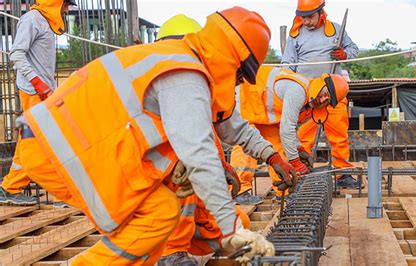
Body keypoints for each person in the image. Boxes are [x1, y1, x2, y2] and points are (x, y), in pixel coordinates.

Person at [14, 7, 297, 264]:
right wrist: (230, 231)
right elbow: (200, 155)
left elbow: (229, 124)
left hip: (65, 145)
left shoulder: (190, 66)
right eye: (240, 75)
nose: (237, 82)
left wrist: (270, 156)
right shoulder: (184, 74)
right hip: (63, 148)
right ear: (233, 60)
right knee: (158, 213)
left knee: (158, 213)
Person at [153, 15, 291, 265]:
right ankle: (169, 253)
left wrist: (271, 155)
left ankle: (180, 248)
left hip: (180, 201)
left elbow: (234, 127)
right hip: (144, 194)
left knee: (241, 221)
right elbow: (193, 154)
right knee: (182, 173)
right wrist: (233, 230)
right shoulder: (165, 82)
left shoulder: (202, 85)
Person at [231, 66, 349, 202]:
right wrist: (296, 162)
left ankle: (284, 190)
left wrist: (298, 149)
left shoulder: (307, 98)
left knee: (277, 146)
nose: (322, 100)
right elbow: (287, 129)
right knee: (245, 141)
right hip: (246, 94)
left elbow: (287, 129)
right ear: (321, 84)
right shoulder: (298, 91)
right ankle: (239, 191)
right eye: (325, 94)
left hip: (260, 107)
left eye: (327, 100)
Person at [0, 0, 76, 206]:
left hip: (41, 92)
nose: (67, 10)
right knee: (42, 141)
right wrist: (37, 82)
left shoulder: (44, 23)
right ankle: (60, 194)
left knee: (32, 141)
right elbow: (16, 53)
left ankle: (10, 188)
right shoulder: (32, 19)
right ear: (56, 3)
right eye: (66, 5)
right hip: (33, 91)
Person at [281, 0, 360, 188]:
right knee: (303, 137)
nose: (306, 21)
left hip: (332, 92)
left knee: (339, 134)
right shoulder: (296, 35)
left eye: (310, 17)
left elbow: (354, 49)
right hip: (307, 95)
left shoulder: (336, 30)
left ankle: (343, 175)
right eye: (303, 17)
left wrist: (344, 54)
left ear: (321, 13)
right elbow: (287, 65)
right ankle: (301, 173)